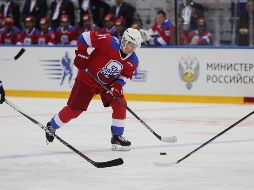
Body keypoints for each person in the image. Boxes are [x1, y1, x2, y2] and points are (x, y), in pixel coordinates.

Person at [45, 28, 142, 151]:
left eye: (135, 46)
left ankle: (117, 136)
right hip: (87, 79)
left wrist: (117, 85)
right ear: (124, 41)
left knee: (120, 103)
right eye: (130, 45)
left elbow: (126, 75)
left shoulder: (133, 60)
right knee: (75, 110)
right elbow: (84, 37)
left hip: (106, 85)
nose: (132, 49)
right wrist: (81, 53)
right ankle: (51, 126)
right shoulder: (108, 41)